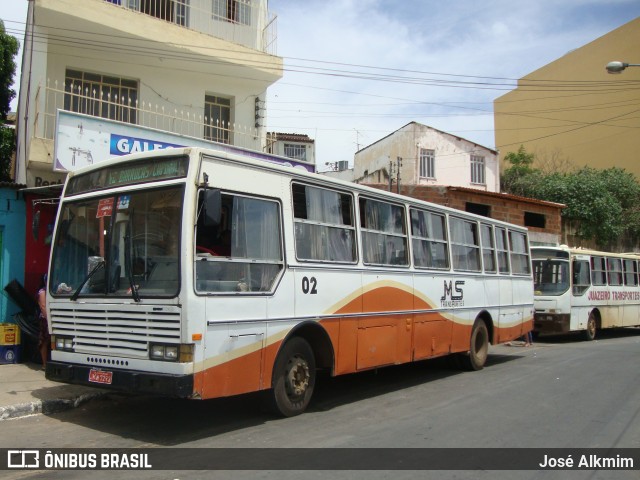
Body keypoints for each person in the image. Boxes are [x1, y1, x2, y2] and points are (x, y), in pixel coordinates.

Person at [37, 274, 51, 369]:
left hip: (51, 318)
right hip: (45, 320)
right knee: (44, 341)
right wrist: (49, 319)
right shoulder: (42, 292)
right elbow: (43, 307)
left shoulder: (51, 291)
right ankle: (44, 364)